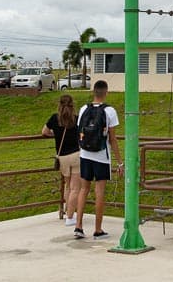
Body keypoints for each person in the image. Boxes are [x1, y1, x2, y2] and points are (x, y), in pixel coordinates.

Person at [74, 80, 121, 240]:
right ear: (106, 92)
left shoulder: (83, 109)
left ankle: (78, 227)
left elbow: (79, 130)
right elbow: (112, 139)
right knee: (99, 192)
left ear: (93, 92)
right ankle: (98, 229)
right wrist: (119, 161)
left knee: (83, 190)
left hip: (85, 154)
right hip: (102, 156)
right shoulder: (110, 111)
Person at [42, 94, 82, 227]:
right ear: (72, 105)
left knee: (67, 185)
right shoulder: (76, 119)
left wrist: (55, 134)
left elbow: (44, 132)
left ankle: (67, 211)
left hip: (62, 157)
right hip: (76, 155)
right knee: (75, 188)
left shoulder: (55, 118)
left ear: (59, 104)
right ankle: (70, 217)